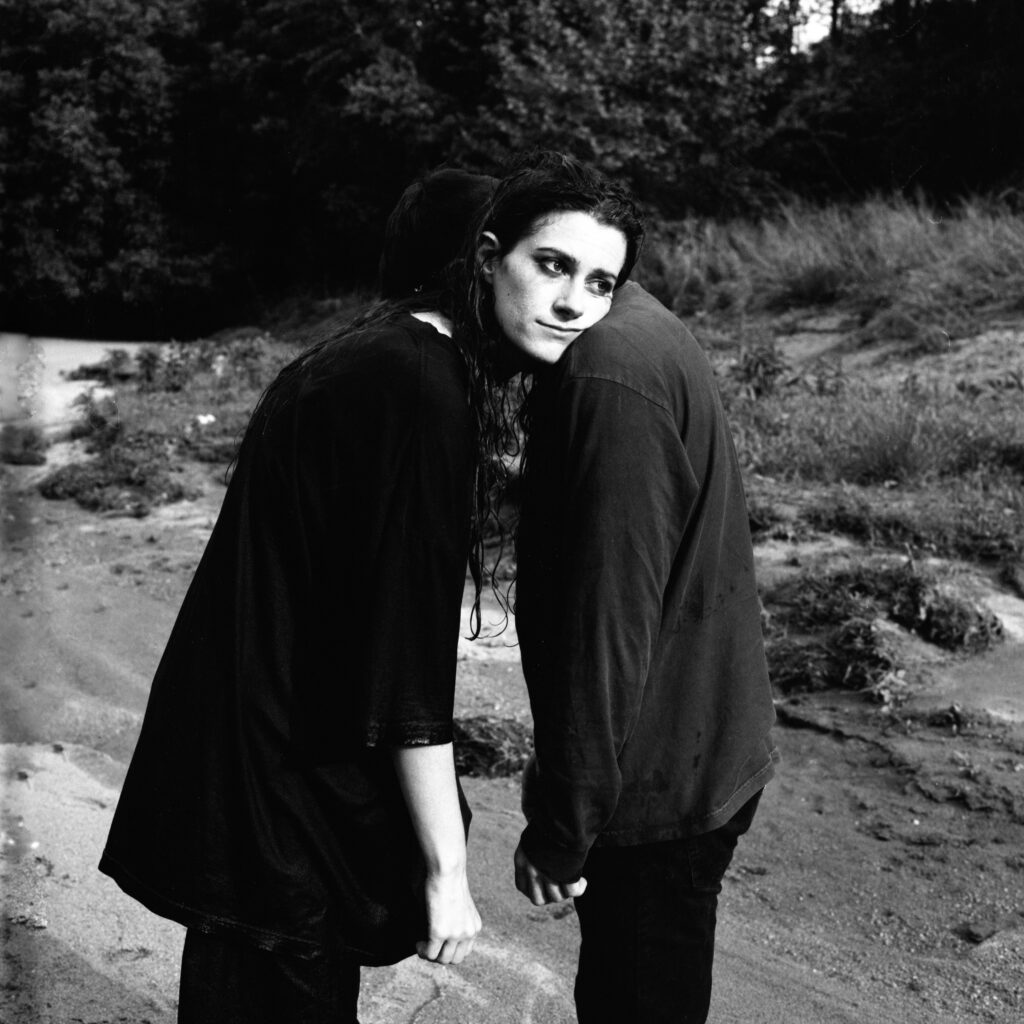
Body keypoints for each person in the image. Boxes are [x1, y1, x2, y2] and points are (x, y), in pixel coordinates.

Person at [98, 152, 644, 1023]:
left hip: (259, 776)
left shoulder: (372, 358)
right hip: (283, 803)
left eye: (601, 281)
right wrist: (446, 872)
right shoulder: (419, 390)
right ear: (485, 258)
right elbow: (401, 666)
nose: (574, 302)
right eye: (551, 265)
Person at [512, 277, 779, 1023]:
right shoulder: (631, 331)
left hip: (661, 782)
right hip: (682, 748)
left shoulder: (607, 373)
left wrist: (564, 826)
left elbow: (608, 626)